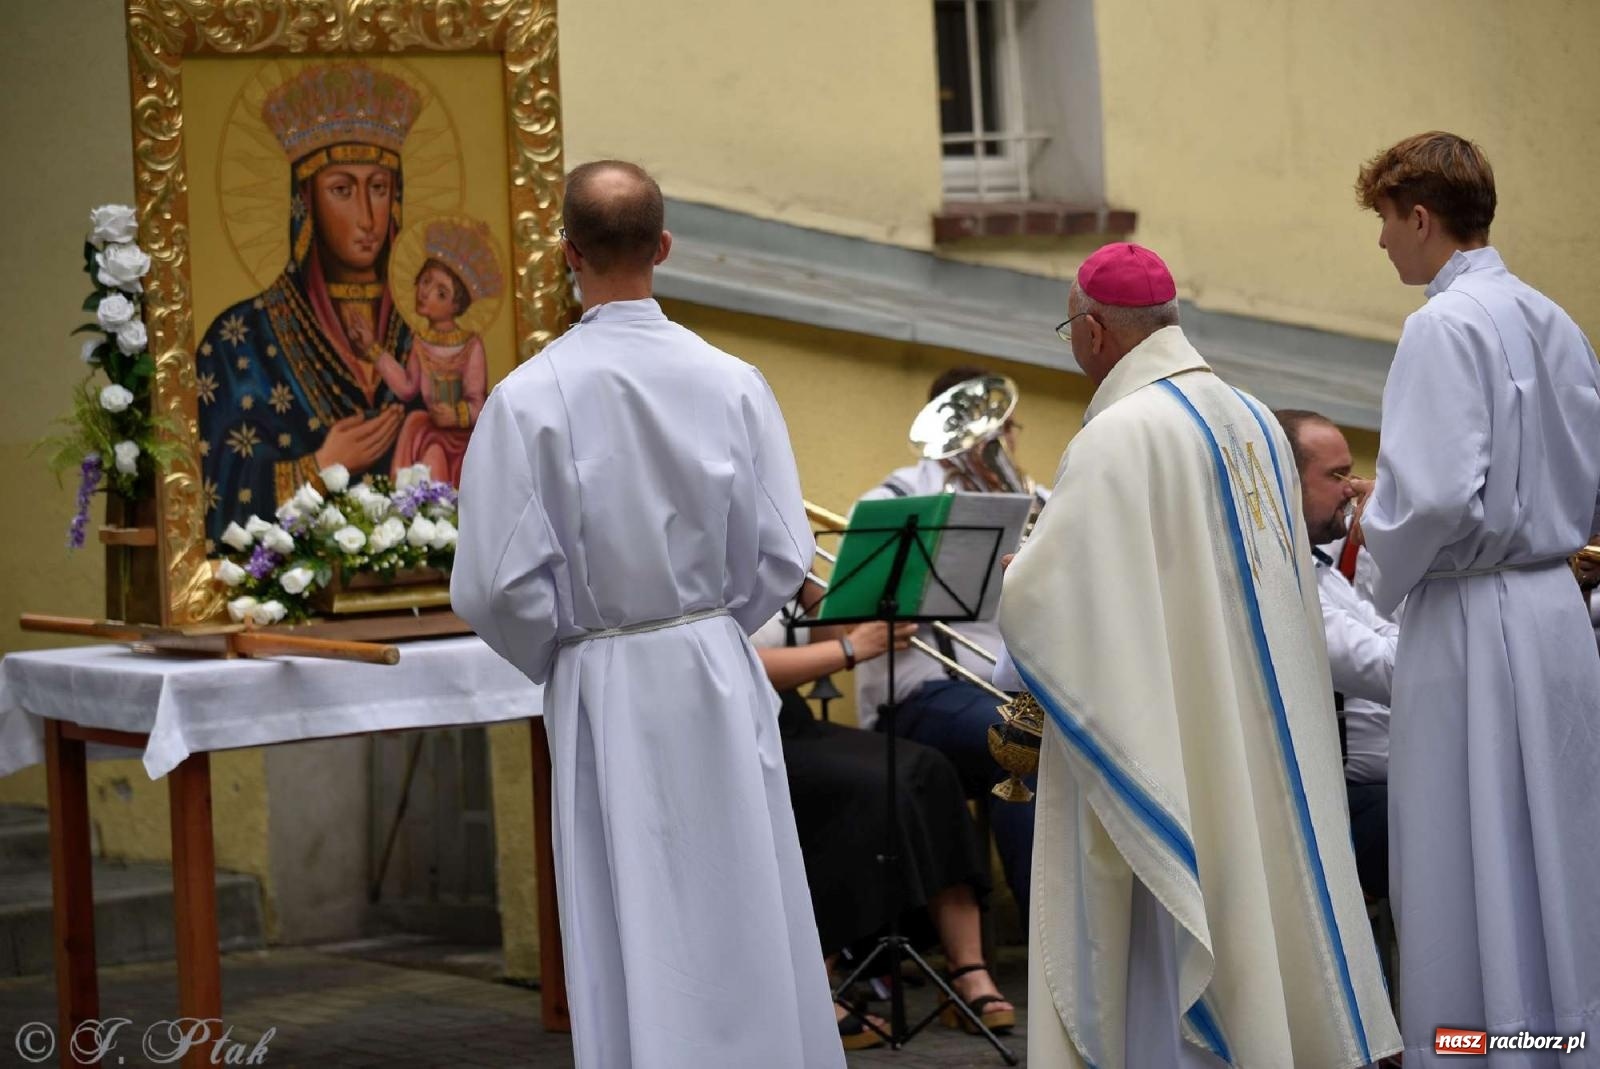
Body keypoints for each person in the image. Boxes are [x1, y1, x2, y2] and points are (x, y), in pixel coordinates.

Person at [452, 160, 841, 1069]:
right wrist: (706, 620)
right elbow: (784, 550)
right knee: (740, 889)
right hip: (712, 664)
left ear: (567, 256)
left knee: (630, 908)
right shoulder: (734, 380)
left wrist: (572, 644)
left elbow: (493, 584)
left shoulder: (526, 397)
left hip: (604, 679)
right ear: (664, 247)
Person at [998, 242, 1399, 1068]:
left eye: (1072, 327)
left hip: (1169, 746)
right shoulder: (1254, 418)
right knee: (1264, 895)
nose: (1073, 345)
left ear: (1100, 330)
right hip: (1262, 736)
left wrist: (1021, 583)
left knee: (1157, 952)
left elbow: (1054, 608)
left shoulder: (1117, 436)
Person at [1354, 131, 1600, 1064]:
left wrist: (1377, 574)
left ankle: (1476, 1046)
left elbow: (1434, 494)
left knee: (1465, 856)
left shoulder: (1440, 325)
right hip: (1553, 612)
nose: (1382, 244)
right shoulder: (1555, 316)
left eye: (1383, 221)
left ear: (1419, 217)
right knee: (1556, 857)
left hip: (1469, 615)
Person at [750, 585, 1012, 1046]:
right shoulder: (709, 565)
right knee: (865, 787)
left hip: (792, 717)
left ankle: (968, 972)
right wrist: (851, 649)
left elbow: (815, 645)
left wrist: (809, 581)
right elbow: (738, 666)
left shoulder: (766, 560)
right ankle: (813, 983)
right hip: (745, 725)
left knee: (928, 768)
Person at [199, 62, 420, 544]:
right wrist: (319, 467)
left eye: (379, 189)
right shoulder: (241, 341)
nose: (367, 217)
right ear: (306, 203)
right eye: (342, 190)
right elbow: (211, 489)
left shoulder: (424, 336)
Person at [852, 366, 1035, 915]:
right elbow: (858, 603)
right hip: (919, 693)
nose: (993, 442)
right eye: (980, 429)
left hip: (1013, 688)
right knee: (1020, 742)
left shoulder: (1042, 501)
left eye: (1003, 427)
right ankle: (1047, 944)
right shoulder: (899, 497)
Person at [1277, 409, 1397, 902]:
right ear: (1281, 480)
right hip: (1325, 812)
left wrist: (1391, 554)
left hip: (1377, 791)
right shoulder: (1282, 578)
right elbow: (1398, 672)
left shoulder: (1320, 570)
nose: (1354, 487)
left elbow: (1394, 638)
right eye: (1336, 475)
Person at [376, 216, 498, 485]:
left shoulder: (470, 344)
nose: (426, 292)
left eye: (441, 293)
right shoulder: (420, 341)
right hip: (429, 430)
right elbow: (409, 387)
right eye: (426, 281)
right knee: (428, 450)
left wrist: (456, 415)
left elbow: (478, 401)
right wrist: (374, 352)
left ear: (456, 306)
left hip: (464, 435)